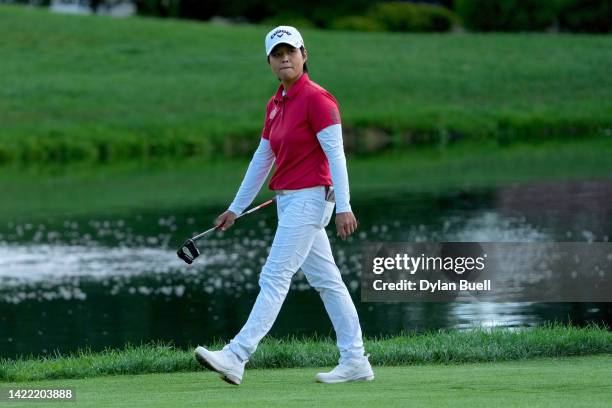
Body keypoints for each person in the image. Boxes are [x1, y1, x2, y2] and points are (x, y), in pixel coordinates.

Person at [194, 25, 373, 385]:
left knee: (274, 276)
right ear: (270, 62)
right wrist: (236, 208)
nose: (285, 58)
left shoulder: (318, 99)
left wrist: (345, 206)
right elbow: (262, 158)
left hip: (310, 200)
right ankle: (355, 360)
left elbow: (336, 155)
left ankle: (236, 355)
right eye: (277, 54)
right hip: (289, 202)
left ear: (305, 55)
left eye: (291, 51)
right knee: (328, 281)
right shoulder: (275, 104)